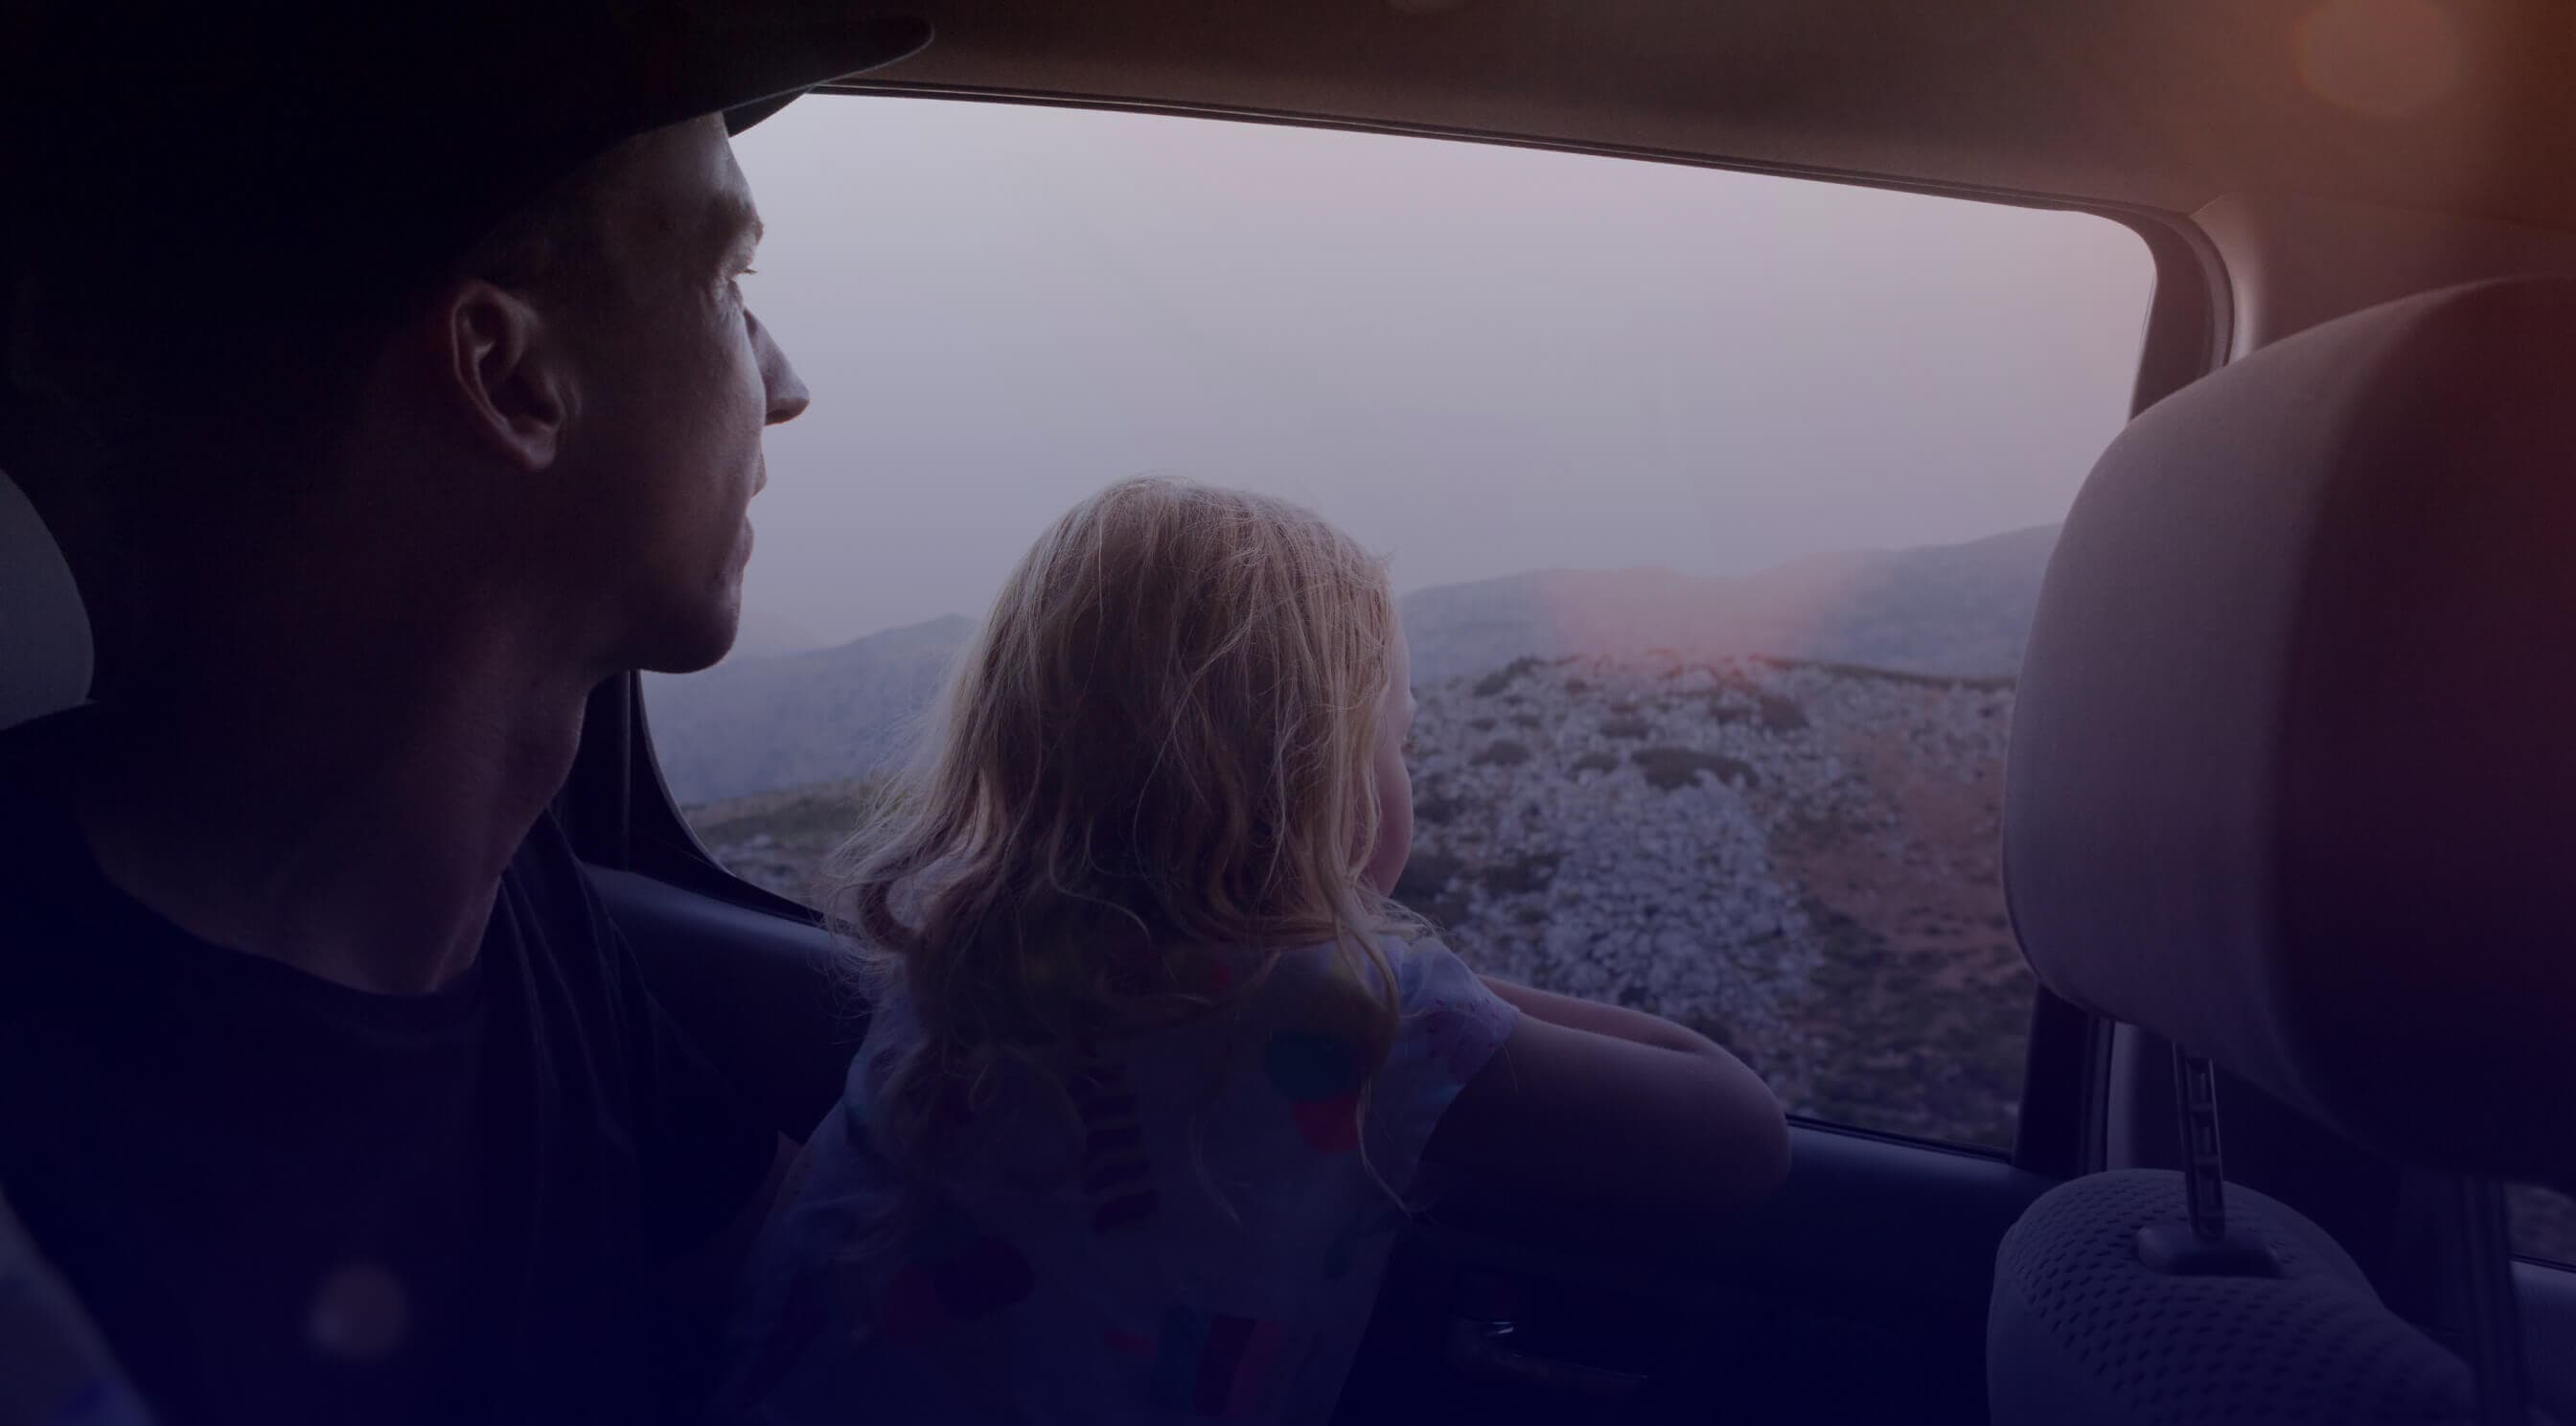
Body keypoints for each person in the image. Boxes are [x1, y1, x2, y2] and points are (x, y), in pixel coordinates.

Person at [0, 3, 929, 1422]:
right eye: (731, 284)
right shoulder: (55, 1129)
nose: (785, 385)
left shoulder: (505, 909)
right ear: (508, 375)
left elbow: (798, 1296)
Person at [724, 477, 1790, 1423]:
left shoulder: (962, 948)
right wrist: (1385, 966)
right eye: (1396, 741)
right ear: (1315, 779)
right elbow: (1733, 1131)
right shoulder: (1355, 1012)